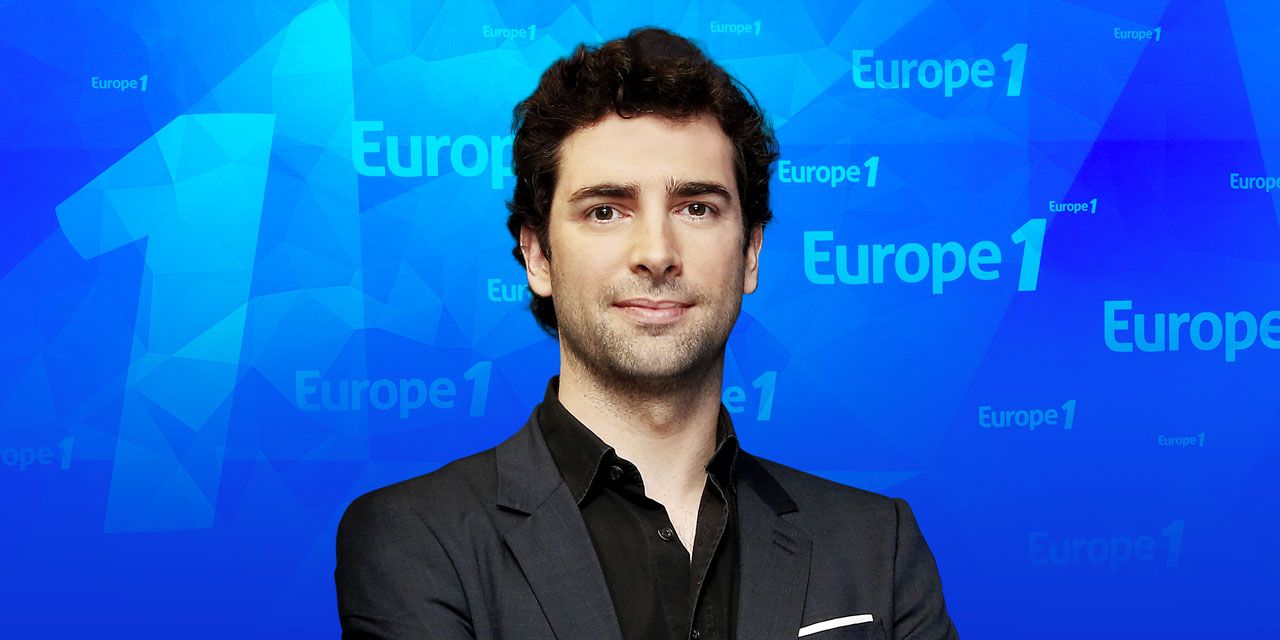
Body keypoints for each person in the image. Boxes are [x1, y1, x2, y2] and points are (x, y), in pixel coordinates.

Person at [335, 27, 959, 640]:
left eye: (697, 208)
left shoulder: (876, 545)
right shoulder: (415, 539)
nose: (657, 253)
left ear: (750, 253)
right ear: (537, 257)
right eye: (605, 211)